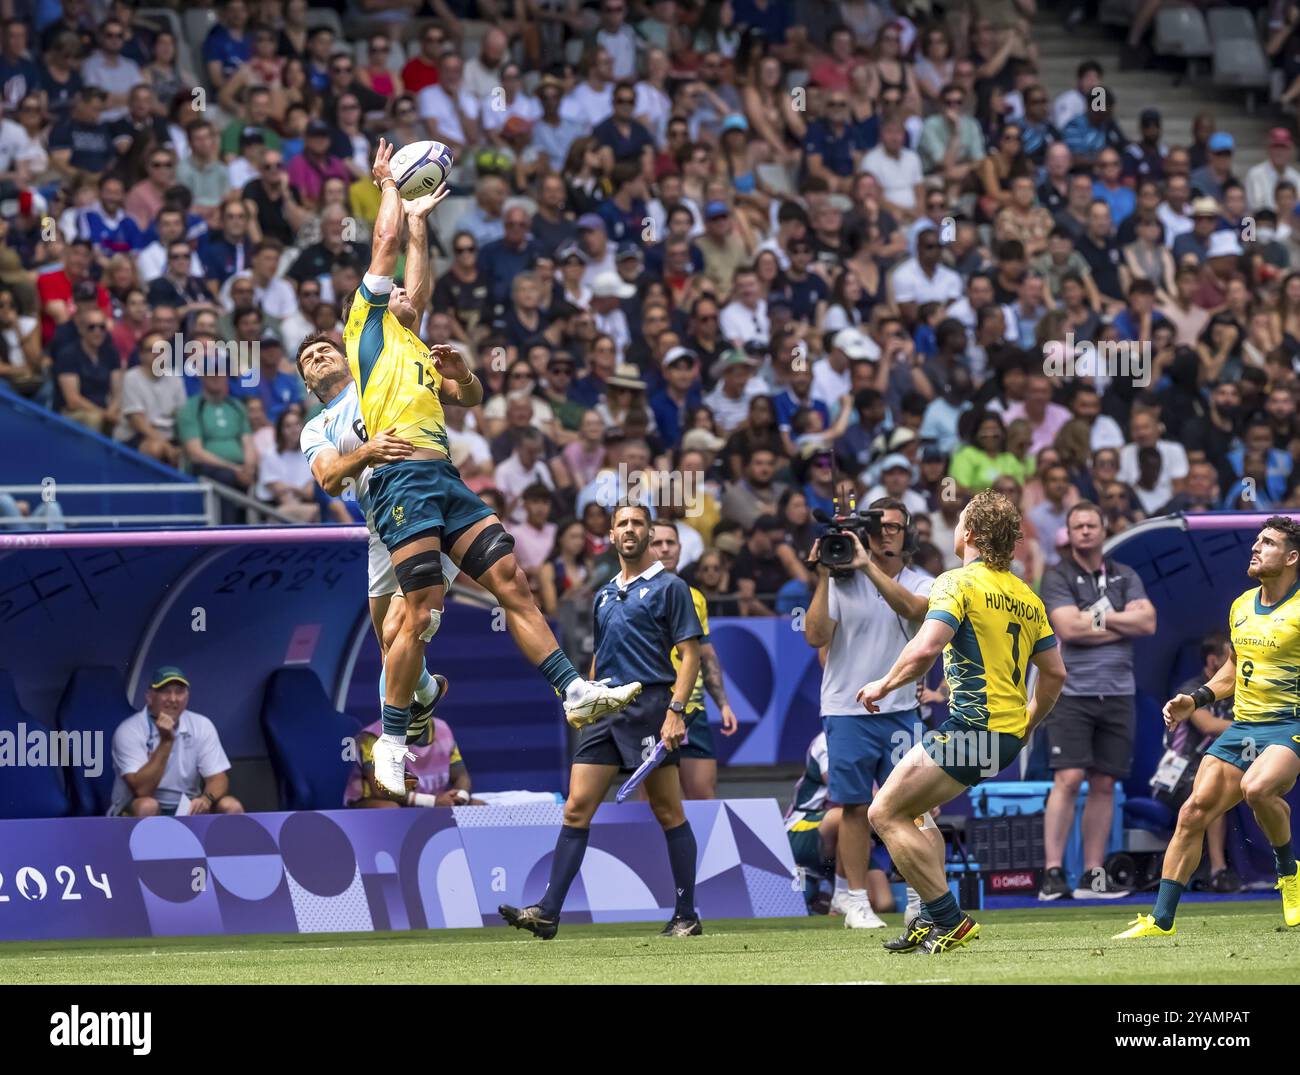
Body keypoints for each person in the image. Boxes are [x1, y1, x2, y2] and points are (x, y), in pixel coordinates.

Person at [296, 142, 637, 797]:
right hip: (396, 492)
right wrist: (388, 186)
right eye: (307, 359)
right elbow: (386, 244)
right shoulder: (366, 330)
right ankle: (394, 741)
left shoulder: (413, 340)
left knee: (510, 577)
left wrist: (466, 372)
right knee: (413, 618)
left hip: (443, 479)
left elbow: (426, 297)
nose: (398, 289)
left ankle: (573, 691)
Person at [859, 490, 1067, 953]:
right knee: (914, 812)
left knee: (882, 813)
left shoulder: (956, 582)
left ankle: (948, 919)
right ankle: (929, 918)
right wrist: (1027, 724)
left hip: (971, 731)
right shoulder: (1027, 596)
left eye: (958, 523)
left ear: (969, 533)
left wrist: (883, 684)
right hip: (1006, 739)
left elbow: (928, 646)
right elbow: (1055, 674)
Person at [499, 502, 705, 939]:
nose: (630, 530)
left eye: (638, 524)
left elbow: (690, 655)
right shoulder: (604, 594)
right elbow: (599, 658)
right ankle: (549, 912)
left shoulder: (672, 587)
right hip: (604, 711)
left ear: (649, 535)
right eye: (622, 524)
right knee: (575, 808)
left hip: (651, 707)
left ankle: (686, 914)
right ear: (610, 536)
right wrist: (586, 698)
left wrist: (676, 711)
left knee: (668, 810)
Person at [1117, 517, 1300, 938]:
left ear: (1291, 558)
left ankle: (1288, 872)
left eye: (1268, 543)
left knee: (1257, 789)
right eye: (1257, 540)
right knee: (1193, 811)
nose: (1255, 547)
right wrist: (1195, 699)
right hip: (1244, 726)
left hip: (1289, 725)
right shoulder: (1241, 606)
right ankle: (1161, 920)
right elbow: (1233, 670)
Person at [804, 498, 934, 930]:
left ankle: (920, 896)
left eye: (894, 527)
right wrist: (825, 573)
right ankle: (855, 901)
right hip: (845, 709)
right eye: (877, 528)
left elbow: (913, 611)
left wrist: (865, 566)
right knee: (855, 807)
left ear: (907, 533)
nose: (885, 534)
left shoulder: (925, 581)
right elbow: (814, 635)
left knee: (914, 807)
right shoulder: (841, 582)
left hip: (901, 709)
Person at [1037, 500, 1157, 900]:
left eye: (1092, 525)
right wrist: (1120, 624)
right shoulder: (1057, 576)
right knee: (1068, 779)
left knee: (1104, 783)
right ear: (1068, 534)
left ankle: (1092, 875)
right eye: (1078, 526)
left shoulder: (1126, 575)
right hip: (1071, 693)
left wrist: (1096, 622)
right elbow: (1068, 628)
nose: (1085, 531)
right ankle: (1053, 873)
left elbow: (1149, 621)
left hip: (1118, 692)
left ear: (1104, 530)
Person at [651, 520, 738, 799]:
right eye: (657, 543)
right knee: (654, 802)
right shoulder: (629, 593)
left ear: (679, 547)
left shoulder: (695, 598)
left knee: (704, 797)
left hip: (691, 708)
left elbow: (706, 653)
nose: (665, 549)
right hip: (650, 708)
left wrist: (723, 703)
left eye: (670, 542)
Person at [109, 666, 244, 817]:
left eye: (179, 692)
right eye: (165, 691)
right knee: (147, 806)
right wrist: (166, 742)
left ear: (187, 696)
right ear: (149, 697)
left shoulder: (201, 725)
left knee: (231, 806)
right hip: (135, 806)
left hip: (186, 807)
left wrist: (206, 799)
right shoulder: (130, 729)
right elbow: (142, 790)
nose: (173, 699)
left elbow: (218, 778)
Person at [345, 705, 481, 808]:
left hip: (430, 804)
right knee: (391, 809)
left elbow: (461, 776)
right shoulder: (374, 737)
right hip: (378, 804)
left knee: (477, 806)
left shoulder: (442, 729)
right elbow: (381, 790)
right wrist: (433, 801)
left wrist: (460, 797)